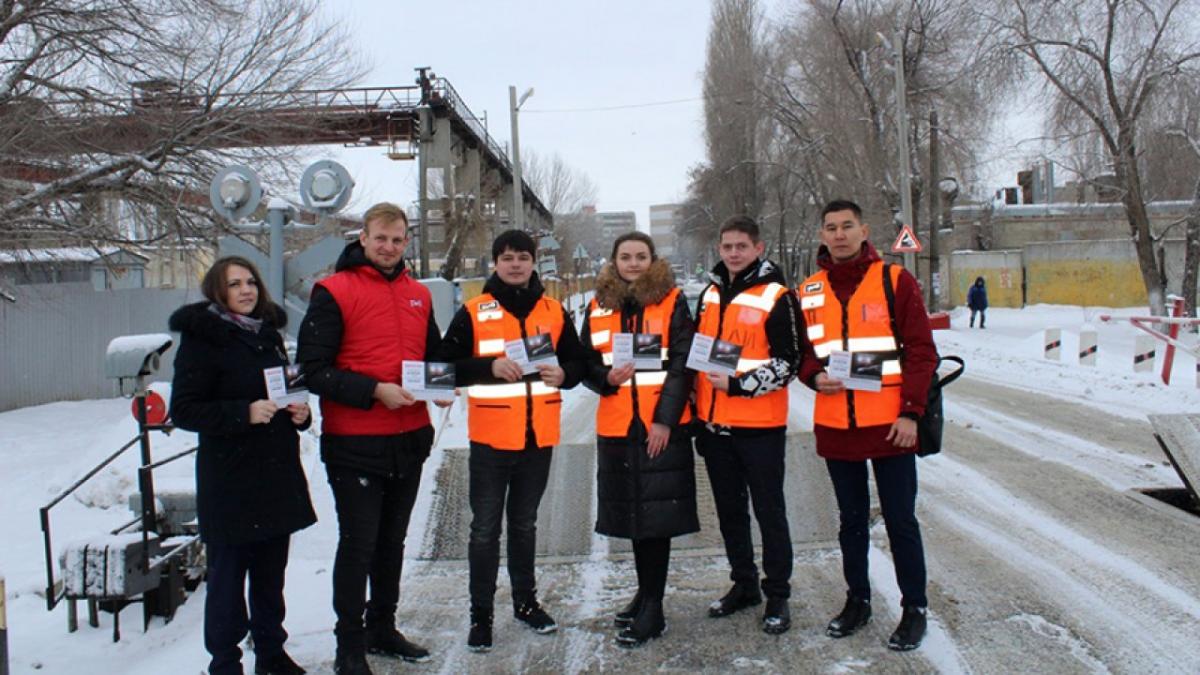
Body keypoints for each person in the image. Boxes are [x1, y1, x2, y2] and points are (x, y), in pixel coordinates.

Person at [297, 203, 442, 675]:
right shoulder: (333, 292)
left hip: (410, 438)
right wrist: (373, 391)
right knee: (358, 545)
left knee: (392, 543)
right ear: (363, 238)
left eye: (398, 240)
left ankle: (383, 627)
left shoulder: (419, 294)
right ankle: (349, 646)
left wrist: (442, 387)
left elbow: (435, 357)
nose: (389, 247)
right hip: (355, 441)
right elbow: (313, 371)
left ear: (407, 242)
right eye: (381, 238)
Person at [435, 229, 589, 653]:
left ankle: (526, 603)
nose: (515, 264)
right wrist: (487, 367)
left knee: (524, 524)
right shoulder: (474, 310)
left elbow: (576, 360)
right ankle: (480, 616)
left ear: (534, 261)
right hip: (490, 439)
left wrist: (566, 374)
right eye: (507, 257)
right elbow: (442, 367)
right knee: (484, 530)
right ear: (495, 263)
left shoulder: (554, 311)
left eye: (523, 256)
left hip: (537, 438)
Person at [798, 199, 938, 651]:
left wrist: (911, 412)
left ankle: (914, 608)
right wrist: (814, 376)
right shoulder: (810, 291)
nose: (838, 235)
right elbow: (802, 354)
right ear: (821, 235)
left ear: (864, 230)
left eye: (846, 226)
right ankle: (857, 599)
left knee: (900, 520)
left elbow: (921, 351)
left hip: (891, 426)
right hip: (838, 426)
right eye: (830, 228)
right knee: (851, 521)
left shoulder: (895, 280)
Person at [169, 256, 316, 675]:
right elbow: (184, 410)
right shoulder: (203, 339)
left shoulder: (267, 334)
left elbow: (282, 389)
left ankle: (271, 652)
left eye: (251, 282)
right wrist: (243, 413)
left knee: (271, 577)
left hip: (274, 475)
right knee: (228, 580)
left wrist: (301, 415)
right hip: (231, 480)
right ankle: (225, 661)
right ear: (218, 291)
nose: (246, 290)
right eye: (235, 284)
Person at [580, 232, 699, 647]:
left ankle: (654, 608)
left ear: (653, 260)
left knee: (656, 520)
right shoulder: (597, 304)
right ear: (614, 261)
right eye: (626, 257)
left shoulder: (672, 301)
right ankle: (645, 594)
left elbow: (685, 365)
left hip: (658, 427)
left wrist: (665, 421)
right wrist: (603, 378)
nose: (633, 263)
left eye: (641, 256)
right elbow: (584, 361)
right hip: (616, 424)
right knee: (634, 516)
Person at [692, 215, 807, 635]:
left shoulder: (778, 296)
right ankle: (744, 585)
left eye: (742, 246)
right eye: (727, 246)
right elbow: (699, 355)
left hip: (759, 428)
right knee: (730, 514)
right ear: (719, 250)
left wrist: (740, 385)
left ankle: (777, 594)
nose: (734, 253)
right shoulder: (709, 293)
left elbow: (789, 361)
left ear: (759, 249)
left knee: (769, 512)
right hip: (715, 428)